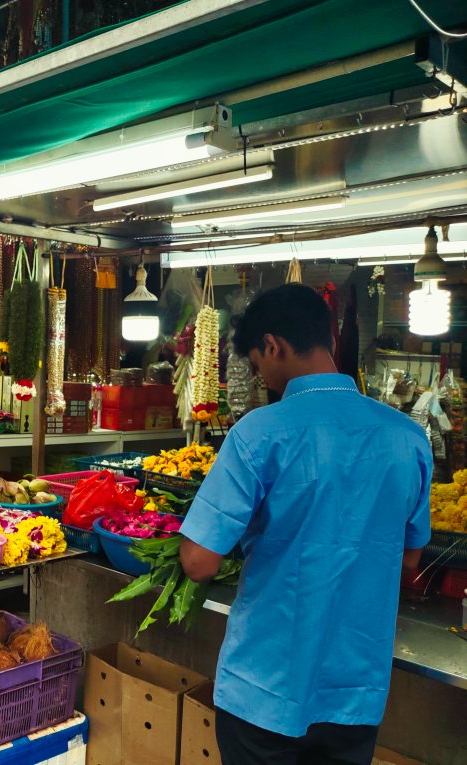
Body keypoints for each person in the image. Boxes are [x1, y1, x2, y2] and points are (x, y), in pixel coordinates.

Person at [179, 284, 431, 765]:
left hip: (265, 689)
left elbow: (198, 561)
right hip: (355, 694)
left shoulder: (258, 433)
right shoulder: (409, 438)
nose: (261, 378)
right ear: (329, 341)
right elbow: (410, 558)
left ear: (273, 346)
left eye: (257, 364)